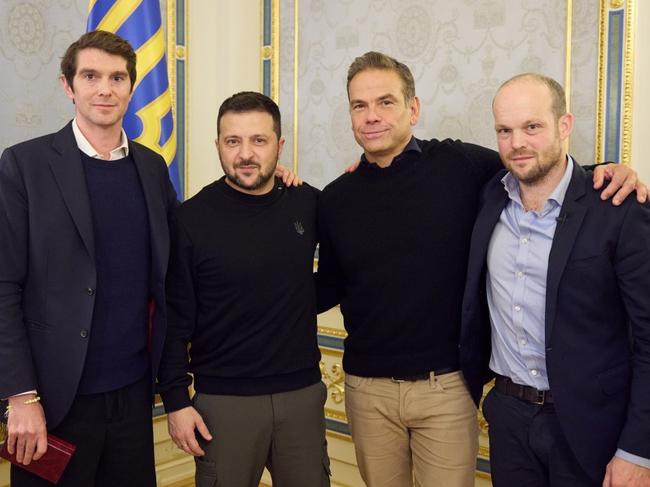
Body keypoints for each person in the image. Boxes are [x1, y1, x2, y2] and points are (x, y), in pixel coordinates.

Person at [315, 51, 647, 487]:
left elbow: (540, 168)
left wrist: (609, 171)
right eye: (360, 106)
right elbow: (330, 285)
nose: (372, 116)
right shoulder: (337, 197)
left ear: (413, 109)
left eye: (386, 102)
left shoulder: (461, 167)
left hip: (448, 388)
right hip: (371, 390)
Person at [0, 31, 177, 486]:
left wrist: (271, 179)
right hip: (54, 400)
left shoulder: (153, 168)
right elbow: (3, 285)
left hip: (134, 396)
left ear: (132, 88)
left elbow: (181, 262)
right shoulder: (24, 166)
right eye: (91, 76)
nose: (105, 89)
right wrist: (20, 395)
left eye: (117, 77)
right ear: (68, 85)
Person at [460, 73, 650, 487]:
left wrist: (638, 450)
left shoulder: (615, 206)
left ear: (564, 125)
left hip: (589, 424)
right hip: (508, 417)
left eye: (532, 127)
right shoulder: (488, 195)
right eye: (504, 131)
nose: (517, 143)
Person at [157, 91, 330, 487]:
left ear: (279, 146)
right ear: (218, 146)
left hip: (301, 394)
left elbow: (350, 257)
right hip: (223, 403)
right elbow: (175, 318)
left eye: (259, 140)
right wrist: (177, 402)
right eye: (233, 141)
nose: (245, 154)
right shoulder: (190, 220)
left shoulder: (308, 203)